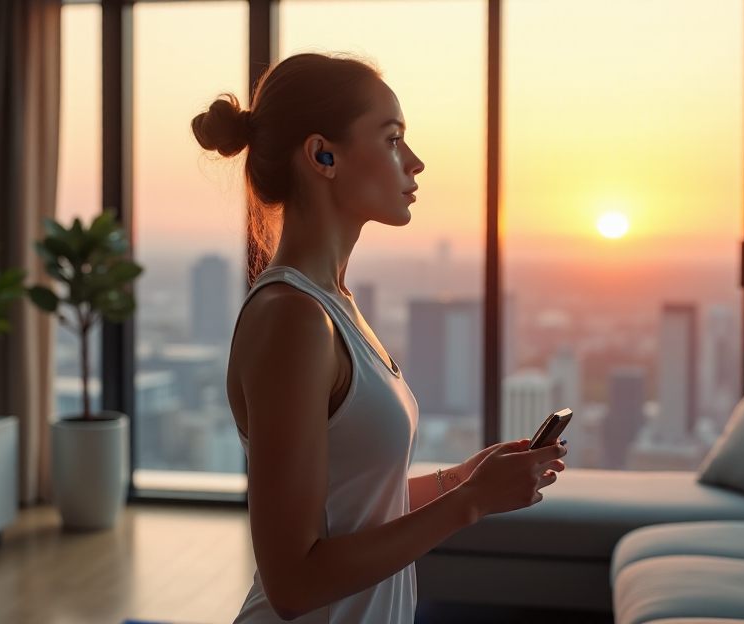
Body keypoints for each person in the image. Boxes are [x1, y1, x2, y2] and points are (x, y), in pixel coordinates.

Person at [192, 52, 568, 624]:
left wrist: (461, 479)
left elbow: (352, 511)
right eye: (392, 140)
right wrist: (469, 504)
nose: (415, 163)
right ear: (324, 155)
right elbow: (291, 584)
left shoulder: (333, 305)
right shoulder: (291, 319)